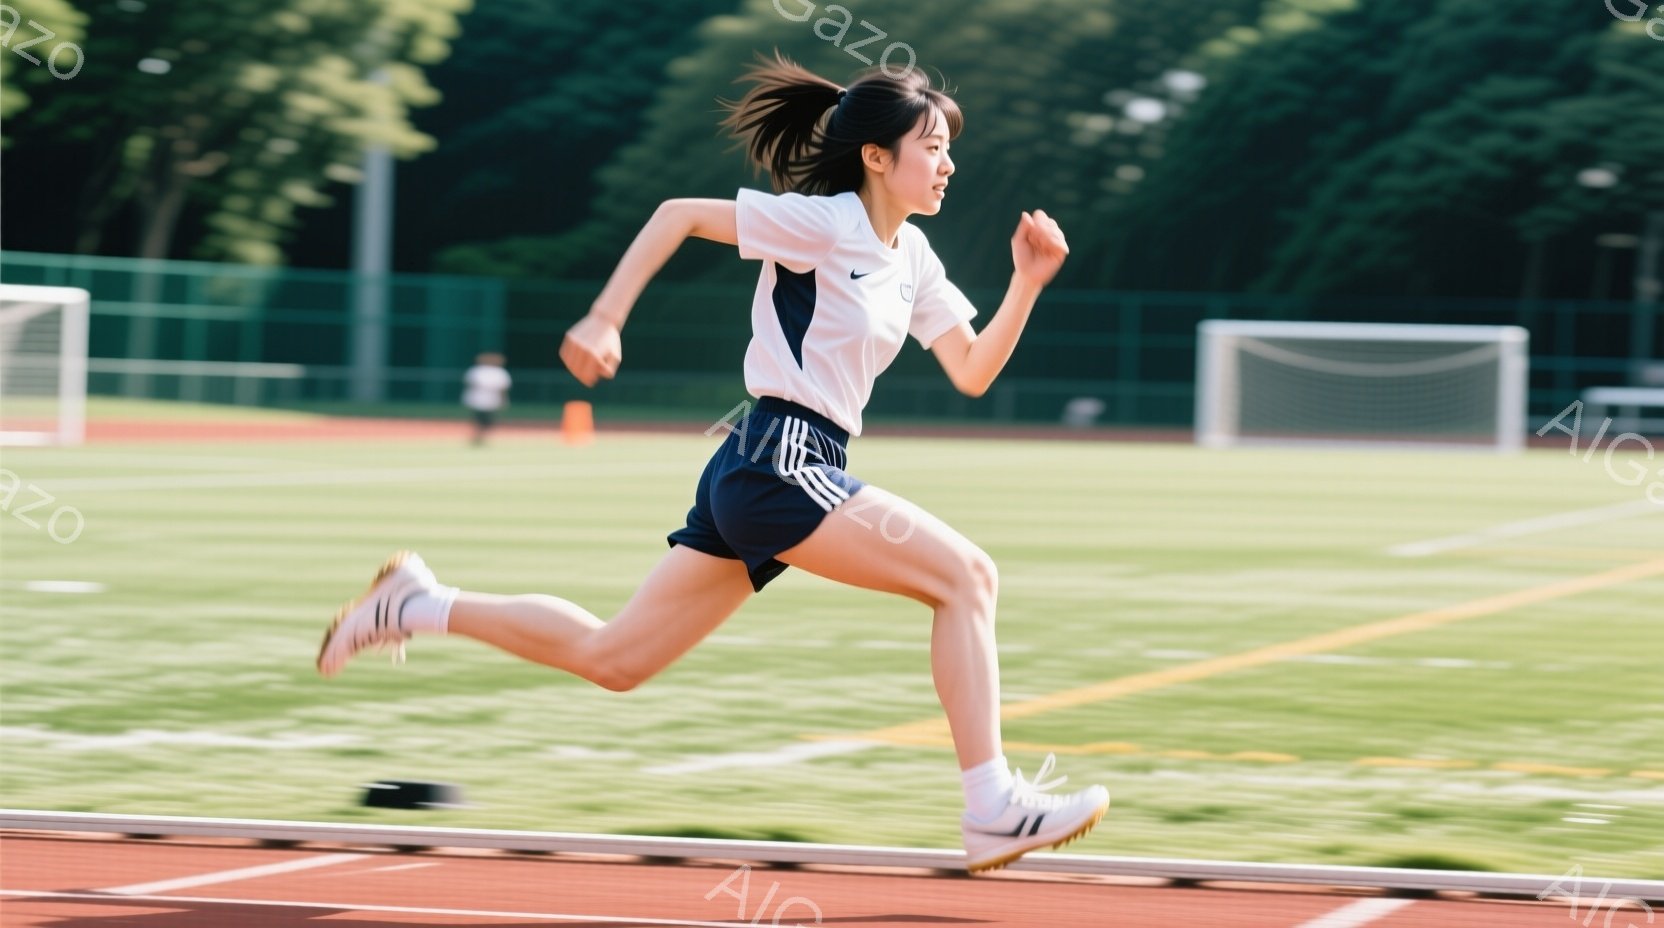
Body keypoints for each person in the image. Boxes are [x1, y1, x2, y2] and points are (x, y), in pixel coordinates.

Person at [317, 53, 1109, 873]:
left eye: (948, 147)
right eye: (932, 145)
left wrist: (1027, 283)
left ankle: (418, 603)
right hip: (777, 457)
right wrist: (604, 317)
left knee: (613, 659)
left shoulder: (912, 257)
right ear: (877, 156)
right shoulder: (826, 223)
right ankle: (991, 805)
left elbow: (972, 369)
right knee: (967, 577)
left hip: (779, 462)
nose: (948, 163)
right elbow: (675, 214)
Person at [462, 352, 511, 445]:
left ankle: (482, 437)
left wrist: (503, 400)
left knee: (489, 421)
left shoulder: (499, 372)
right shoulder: (476, 371)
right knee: (478, 420)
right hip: (477, 400)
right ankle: (477, 437)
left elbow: (502, 388)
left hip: (491, 401)